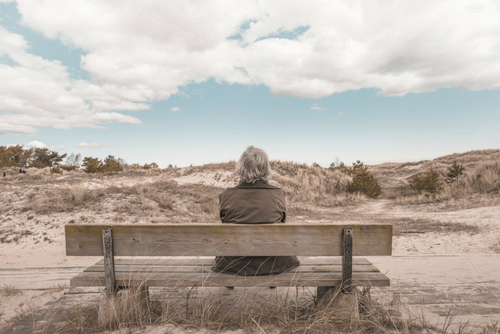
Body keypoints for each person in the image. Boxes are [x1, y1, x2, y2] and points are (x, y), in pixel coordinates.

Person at [212, 146, 300, 276]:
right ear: (266, 169)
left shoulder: (226, 195)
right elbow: (282, 223)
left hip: (234, 264)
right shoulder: (278, 194)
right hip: (273, 263)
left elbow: (225, 224)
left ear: (241, 168)